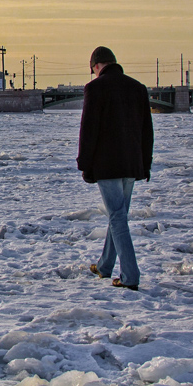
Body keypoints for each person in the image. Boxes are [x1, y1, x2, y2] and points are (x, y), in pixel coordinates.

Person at [77, 46, 154, 291]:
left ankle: (130, 275)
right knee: (118, 215)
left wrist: (84, 163)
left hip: (107, 164)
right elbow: (146, 131)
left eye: (93, 70)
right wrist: (145, 163)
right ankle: (104, 265)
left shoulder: (95, 88)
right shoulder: (137, 88)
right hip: (132, 163)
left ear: (97, 66)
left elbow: (89, 130)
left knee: (117, 217)